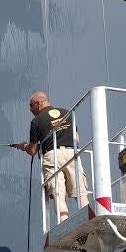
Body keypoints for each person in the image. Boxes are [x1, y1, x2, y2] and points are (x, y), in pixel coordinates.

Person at [13, 91, 89, 222]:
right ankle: (90, 219)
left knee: (58, 195)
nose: (30, 109)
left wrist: (24, 146)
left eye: (31, 105)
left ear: (38, 104)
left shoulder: (36, 121)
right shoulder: (67, 113)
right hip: (72, 153)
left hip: (52, 156)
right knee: (81, 193)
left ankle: (65, 224)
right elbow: (77, 139)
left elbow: (32, 150)